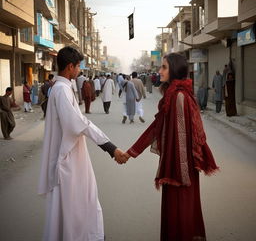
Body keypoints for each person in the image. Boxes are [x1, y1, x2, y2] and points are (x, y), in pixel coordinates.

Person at [120, 53, 219, 241]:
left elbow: (182, 136)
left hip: (181, 168)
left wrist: (180, 172)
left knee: (180, 211)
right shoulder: (173, 94)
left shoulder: (179, 96)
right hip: (176, 163)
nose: (160, 71)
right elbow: (157, 127)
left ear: (174, 69)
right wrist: (132, 152)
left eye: (164, 67)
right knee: (179, 211)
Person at [38, 46, 126, 241]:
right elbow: (78, 123)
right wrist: (110, 148)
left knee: (80, 203)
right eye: (78, 66)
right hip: (68, 162)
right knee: (77, 205)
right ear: (70, 67)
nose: (79, 70)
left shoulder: (62, 88)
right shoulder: (61, 90)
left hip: (71, 158)